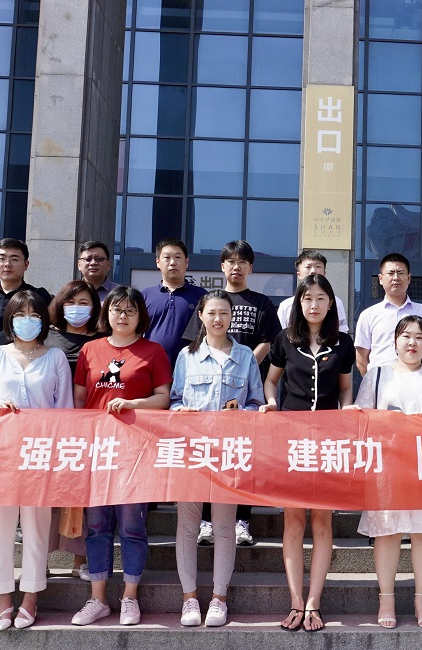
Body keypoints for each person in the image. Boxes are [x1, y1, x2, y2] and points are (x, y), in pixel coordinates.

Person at [349, 315, 422, 629]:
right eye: (406, 336)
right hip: (388, 468)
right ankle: (386, 598)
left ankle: (421, 599)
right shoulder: (378, 374)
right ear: (395, 341)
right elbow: (363, 418)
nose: (412, 342)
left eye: (419, 337)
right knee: (387, 532)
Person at [0, 290, 73, 630]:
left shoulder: (55, 357)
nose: (27, 321)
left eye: (34, 315)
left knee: (36, 529)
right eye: (20, 315)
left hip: (40, 455)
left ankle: (30, 599)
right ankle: (2, 601)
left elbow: (64, 409)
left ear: (43, 321)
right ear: (9, 319)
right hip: (1, 454)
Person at [71, 286, 172, 627]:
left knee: (132, 525)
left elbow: (163, 398)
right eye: (116, 309)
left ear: (140, 315)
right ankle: (97, 599)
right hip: (97, 449)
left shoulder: (153, 351)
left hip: (135, 450)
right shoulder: (90, 349)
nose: (123, 315)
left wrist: (132, 404)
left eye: (130, 310)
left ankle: (130, 596)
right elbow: (79, 399)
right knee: (97, 525)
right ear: (107, 313)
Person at [261, 274, 355, 631]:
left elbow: (345, 388)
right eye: (307, 298)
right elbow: (271, 380)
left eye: (320, 298)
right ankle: (296, 601)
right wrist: (272, 402)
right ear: (298, 303)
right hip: (292, 439)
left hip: (328, 441)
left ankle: (314, 601)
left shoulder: (343, 343)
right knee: (294, 520)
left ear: (331, 304)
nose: (313, 305)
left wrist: (346, 409)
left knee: (322, 521)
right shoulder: (285, 339)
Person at [171, 289, 264, 628]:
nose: (218, 319)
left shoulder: (245, 356)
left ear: (231, 317)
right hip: (193, 451)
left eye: (224, 312)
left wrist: (243, 413)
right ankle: (189, 598)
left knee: (225, 527)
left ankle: (219, 598)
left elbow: (256, 403)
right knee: (187, 526)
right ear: (201, 316)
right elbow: (174, 400)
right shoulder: (187, 356)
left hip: (229, 453)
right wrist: (182, 411)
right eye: (211, 312)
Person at [182, 240, 281, 546]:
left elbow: (269, 340)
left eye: (242, 262)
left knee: (241, 461)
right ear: (222, 266)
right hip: (207, 395)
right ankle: (207, 522)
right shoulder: (209, 300)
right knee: (208, 461)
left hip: (244, 390)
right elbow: (193, 342)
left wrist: (244, 362)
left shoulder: (261, 302)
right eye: (231, 261)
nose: (236, 267)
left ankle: (241, 521)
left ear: (250, 267)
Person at [44, 280, 104, 581]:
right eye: (71, 302)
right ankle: (39, 560)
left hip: (90, 428)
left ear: (94, 308)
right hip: (50, 428)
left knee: (84, 498)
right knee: (47, 496)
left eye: (84, 303)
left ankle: (81, 560)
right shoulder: (47, 337)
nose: (77, 309)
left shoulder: (103, 340)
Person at [354, 253, 422, 376]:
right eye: (390, 273)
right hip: (381, 380)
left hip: (415, 379)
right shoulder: (368, 315)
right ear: (380, 279)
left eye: (400, 273)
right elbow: (361, 360)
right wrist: (372, 382)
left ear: (409, 278)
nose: (396, 278)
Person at [143, 237, 206, 364]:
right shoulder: (145, 296)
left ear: (186, 262)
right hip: (151, 365)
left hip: (191, 365)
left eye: (178, 257)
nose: (172, 262)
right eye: (167, 257)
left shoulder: (202, 296)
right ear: (157, 262)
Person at [276, 250, 349, 333]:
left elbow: (341, 333)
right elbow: (280, 336)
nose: (313, 271)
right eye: (308, 267)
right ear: (299, 274)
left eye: (318, 266)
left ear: (324, 273)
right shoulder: (286, 306)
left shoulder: (336, 302)